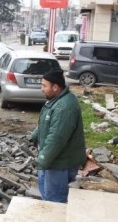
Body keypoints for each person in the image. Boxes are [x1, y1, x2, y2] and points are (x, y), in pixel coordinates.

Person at [29, 69, 86, 203]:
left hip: (59, 164)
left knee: (54, 201)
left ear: (55, 87)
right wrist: (35, 135)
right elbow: (47, 122)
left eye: (44, 86)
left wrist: (42, 160)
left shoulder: (64, 107)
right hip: (53, 161)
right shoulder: (56, 101)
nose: (41, 89)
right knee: (47, 196)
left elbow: (56, 138)